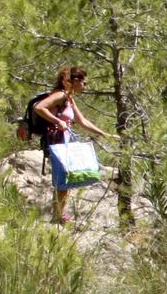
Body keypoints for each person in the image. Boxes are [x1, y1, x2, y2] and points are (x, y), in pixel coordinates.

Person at [33, 65, 112, 224]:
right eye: (84, 82)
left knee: (66, 180)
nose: (85, 86)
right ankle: (57, 217)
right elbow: (38, 107)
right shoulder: (60, 95)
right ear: (75, 81)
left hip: (64, 143)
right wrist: (58, 121)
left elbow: (82, 121)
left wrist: (104, 134)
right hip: (57, 143)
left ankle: (59, 214)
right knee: (62, 180)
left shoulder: (69, 98)